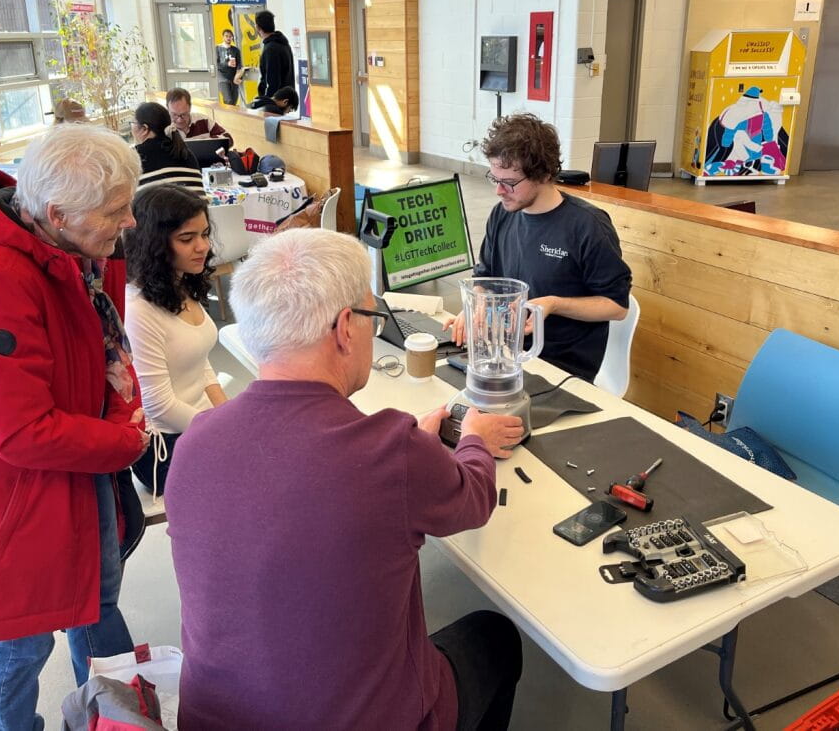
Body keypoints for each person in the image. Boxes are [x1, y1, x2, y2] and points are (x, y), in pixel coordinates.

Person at [166, 229, 525, 731]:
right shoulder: (390, 450)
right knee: (496, 638)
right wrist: (476, 440)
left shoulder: (196, 443)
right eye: (372, 319)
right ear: (344, 329)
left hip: (216, 717)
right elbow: (474, 500)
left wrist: (414, 446)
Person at [0, 124, 150, 731]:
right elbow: (21, 432)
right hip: (20, 493)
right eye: (117, 210)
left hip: (75, 466)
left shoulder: (66, 247)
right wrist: (127, 441)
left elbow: (96, 349)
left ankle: (110, 719)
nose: (131, 224)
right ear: (58, 213)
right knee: (22, 641)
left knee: (96, 605)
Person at [447, 113, 632, 381]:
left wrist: (553, 304)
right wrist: (475, 307)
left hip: (560, 369)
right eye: (494, 178)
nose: (498, 191)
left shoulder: (587, 226)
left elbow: (617, 306)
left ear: (544, 175)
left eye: (509, 183)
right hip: (503, 355)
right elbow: (484, 278)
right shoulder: (502, 215)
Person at [123, 184, 226, 495]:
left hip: (197, 424)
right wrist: (223, 429)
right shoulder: (138, 308)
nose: (203, 246)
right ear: (155, 244)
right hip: (165, 448)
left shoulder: (180, 284)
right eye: (187, 239)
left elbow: (199, 361)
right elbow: (158, 403)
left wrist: (229, 415)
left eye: (205, 234)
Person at [130, 102, 202, 189]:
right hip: (196, 203)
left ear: (145, 129)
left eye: (133, 123)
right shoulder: (185, 152)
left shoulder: (136, 157)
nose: (131, 128)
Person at [165, 87, 232, 146]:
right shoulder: (164, 129)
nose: (179, 120)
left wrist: (205, 143)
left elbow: (228, 139)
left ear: (190, 107)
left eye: (183, 114)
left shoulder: (203, 121)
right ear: (167, 108)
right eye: (174, 115)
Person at [254, 9, 295, 98]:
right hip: (285, 99)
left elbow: (272, 81)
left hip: (274, 102)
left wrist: (265, 101)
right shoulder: (283, 43)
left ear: (257, 27)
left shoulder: (271, 49)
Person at [216, 29, 243, 106]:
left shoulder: (236, 50)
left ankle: (232, 117)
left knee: (234, 101)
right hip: (222, 78)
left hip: (233, 78)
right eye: (226, 36)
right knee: (228, 100)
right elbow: (216, 64)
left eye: (230, 36)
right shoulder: (217, 48)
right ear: (223, 37)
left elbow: (239, 64)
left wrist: (238, 75)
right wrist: (227, 64)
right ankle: (227, 117)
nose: (228, 38)